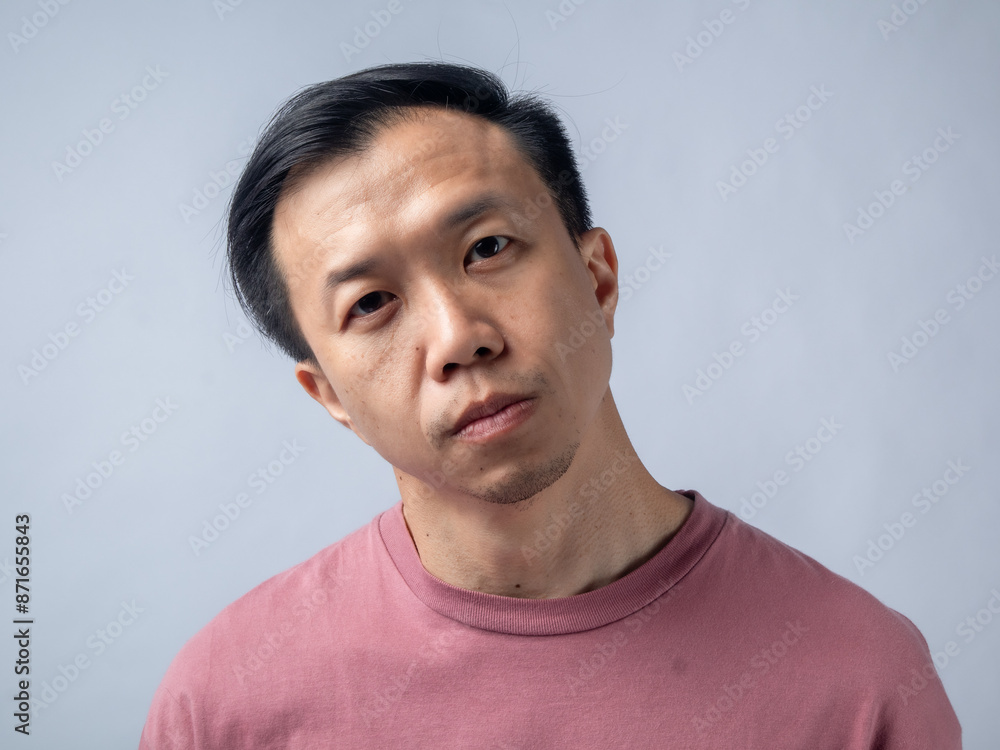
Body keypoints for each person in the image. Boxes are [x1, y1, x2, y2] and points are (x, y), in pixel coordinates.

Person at [138, 62, 961, 748]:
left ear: (597, 278)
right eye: (372, 303)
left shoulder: (859, 683)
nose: (458, 336)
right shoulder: (226, 704)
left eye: (487, 248)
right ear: (330, 398)